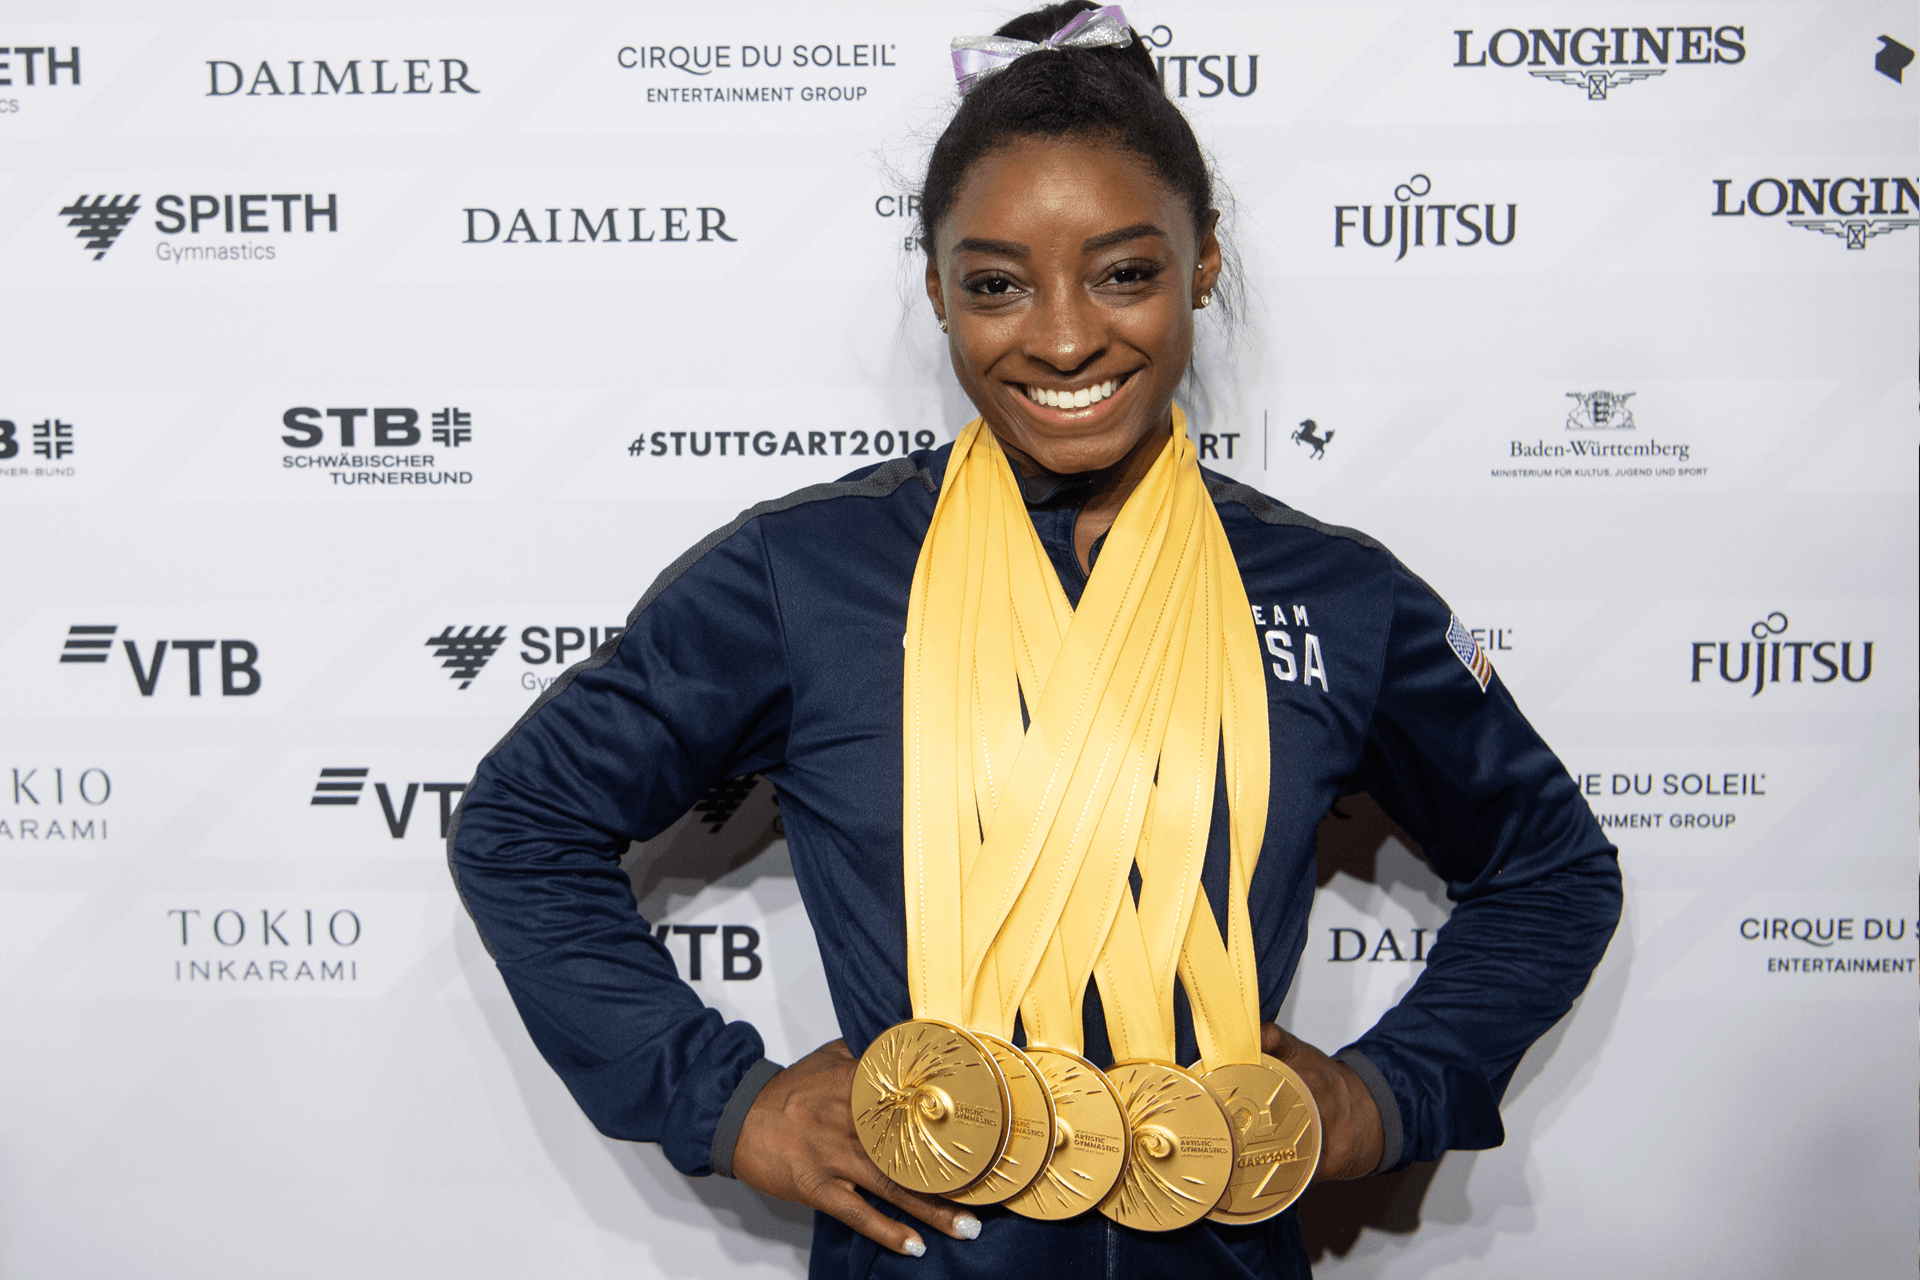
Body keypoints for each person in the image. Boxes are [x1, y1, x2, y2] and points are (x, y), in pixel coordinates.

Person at [447, 4, 1622, 1276]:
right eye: (997, 283)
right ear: (938, 287)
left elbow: (1550, 869)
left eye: (1125, 272)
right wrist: (730, 1102)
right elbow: (523, 824)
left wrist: (1386, 1094)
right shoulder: (808, 575)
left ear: (1204, 264)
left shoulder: (1336, 594)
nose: (1064, 338)